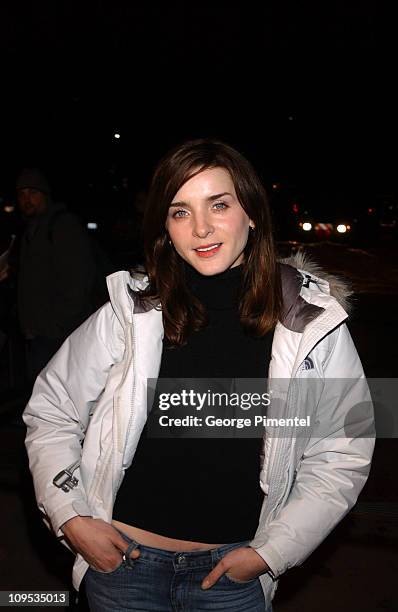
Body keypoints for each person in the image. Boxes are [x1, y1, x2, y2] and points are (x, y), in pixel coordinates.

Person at [23, 140, 375, 612]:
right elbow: (51, 411)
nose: (202, 228)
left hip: (234, 579)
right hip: (122, 569)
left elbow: (342, 451)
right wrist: (70, 518)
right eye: (180, 212)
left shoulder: (310, 323)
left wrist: (270, 554)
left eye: (219, 205)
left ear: (251, 213)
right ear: (165, 228)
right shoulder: (132, 314)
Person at [14, 168, 96, 382]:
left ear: (45, 195)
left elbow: (78, 280)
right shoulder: (30, 231)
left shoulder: (62, 225)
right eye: (22, 194)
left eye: (33, 193)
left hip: (58, 335)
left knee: (58, 398)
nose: (26, 199)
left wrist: (60, 325)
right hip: (38, 333)